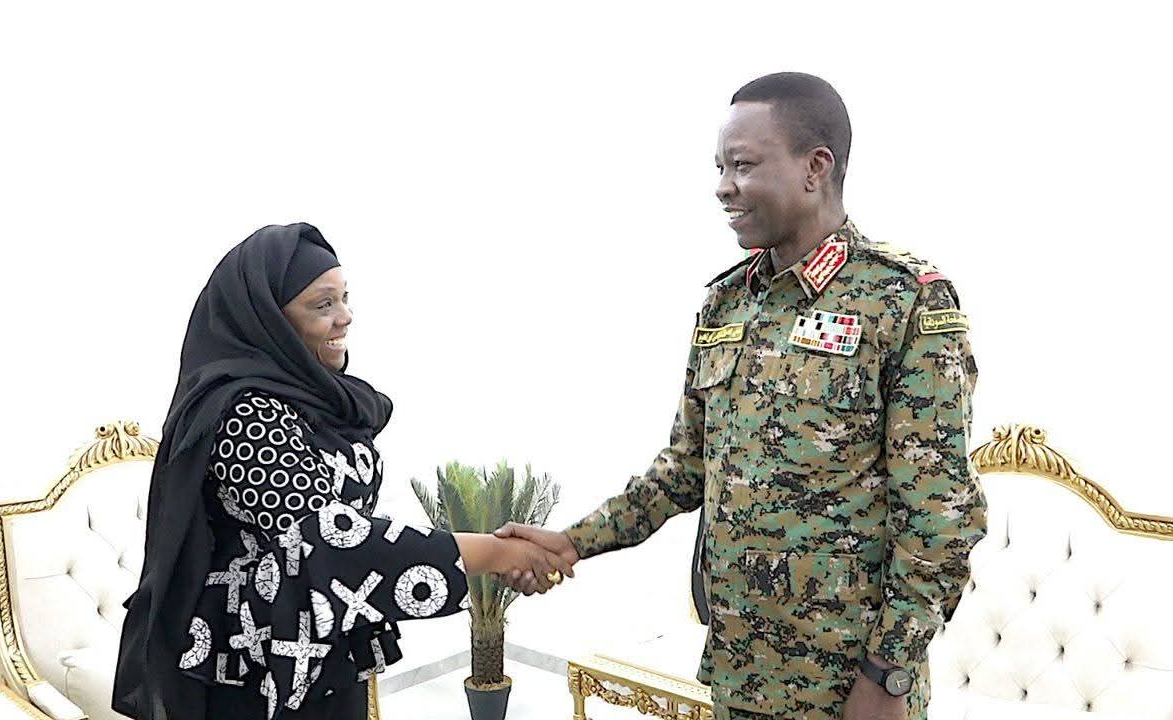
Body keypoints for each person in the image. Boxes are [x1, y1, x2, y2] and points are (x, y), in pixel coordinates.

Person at [496, 72, 986, 720]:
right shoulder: (726, 303)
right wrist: (571, 542)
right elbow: (683, 469)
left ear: (815, 168)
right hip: (739, 677)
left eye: (743, 165)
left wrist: (887, 674)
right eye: (720, 167)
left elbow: (941, 518)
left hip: (845, 689)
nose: (724, 186)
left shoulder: (902, 301)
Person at [112, 223, 572, 720]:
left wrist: (501, 554)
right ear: (269, 320)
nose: (346, 317)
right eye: (323, 304)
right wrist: (498, 553)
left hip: (324, 646)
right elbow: (331, 537)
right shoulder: (243, 413)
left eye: (345, 298)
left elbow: (347, 525)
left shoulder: (316, 399)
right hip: (258, 670)